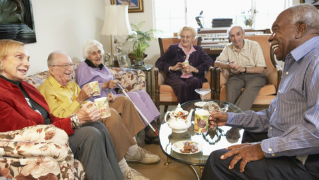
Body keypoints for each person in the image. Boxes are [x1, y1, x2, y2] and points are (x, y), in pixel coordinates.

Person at [201, 4, 319, 180]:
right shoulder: (295, 63)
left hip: (303, 162)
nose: (270, 37)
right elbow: (271, 116)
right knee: (249, 133)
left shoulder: (316, 62)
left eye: (276, 30)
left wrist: (260, 148)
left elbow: (315, 134)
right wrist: (230, 118)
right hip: (288, 143)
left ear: (300, 29)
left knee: (216, 160)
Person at [0, 39, 123, 180]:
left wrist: (79, 117)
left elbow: (50, 117)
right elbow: (27, 132)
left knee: (98, 126)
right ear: (1, 61)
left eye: (28, 59)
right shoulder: (3, 93)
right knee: (91, 133)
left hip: (52, 131)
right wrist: (75, 120)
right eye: (19, 57)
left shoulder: (26, 87)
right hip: (40, 143)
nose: (27, 64)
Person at [38, 51, 160, 180]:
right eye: (65, 66)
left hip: (87, 113)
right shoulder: (46, 89)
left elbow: (86, 101)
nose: (70, 69)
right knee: (110, 114)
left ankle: (132, 151)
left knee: (124, 101)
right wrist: (80, 100)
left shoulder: (72, 85)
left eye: (70, 65)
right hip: (75, 123)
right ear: (52, 69)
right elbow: (60, 118)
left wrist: (97, 102)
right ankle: (124, 169)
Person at [75, 40, 161, 144]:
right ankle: (150, 131)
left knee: (142, 93)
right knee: (134, 96)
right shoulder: (83, 67)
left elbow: (111, 82)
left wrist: (114, 87)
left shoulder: (102, 67)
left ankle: (153, 125)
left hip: (112, 96)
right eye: (94, 53)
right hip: (99, 101)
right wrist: (105, 85)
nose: (98, 55)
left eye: (99, 52)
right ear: (87, 55)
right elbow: (83, 89)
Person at [155, 26, 214, 104]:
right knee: (182, 85)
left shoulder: (198, 50)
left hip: (193, 76)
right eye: (182, 36)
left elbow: (210, 61)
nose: (185, 39)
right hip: (176, 77)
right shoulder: (173, 48)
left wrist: (196, 69)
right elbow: (159, 62)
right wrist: (171, 68)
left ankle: (194, 108)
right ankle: (184, 111)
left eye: (188, 37)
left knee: (195, 81)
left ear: (193, 38)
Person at [214, 25, 267, 111]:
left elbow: (261, 69)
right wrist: (228, 66)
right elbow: (216, 63)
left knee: (249, 90)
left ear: (243, 34)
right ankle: (231, 117)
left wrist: (244, 69)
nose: (235, 38)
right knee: (231, 86)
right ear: (229, 38)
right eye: (232, 36)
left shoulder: (254, 45)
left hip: (256, 76)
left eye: (238, 34)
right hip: (237, 76)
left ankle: (234, 118)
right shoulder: (228, 47)